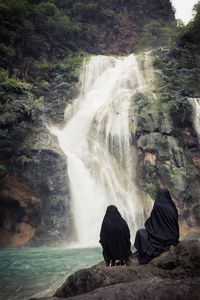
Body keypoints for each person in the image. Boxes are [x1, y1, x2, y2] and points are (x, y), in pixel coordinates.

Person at [134, 188, 179, 264]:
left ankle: (146, 256)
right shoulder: (173, 207)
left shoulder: (158, 206)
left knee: (140, 233)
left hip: (160, 239)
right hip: (173, 237)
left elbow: (151, 224)